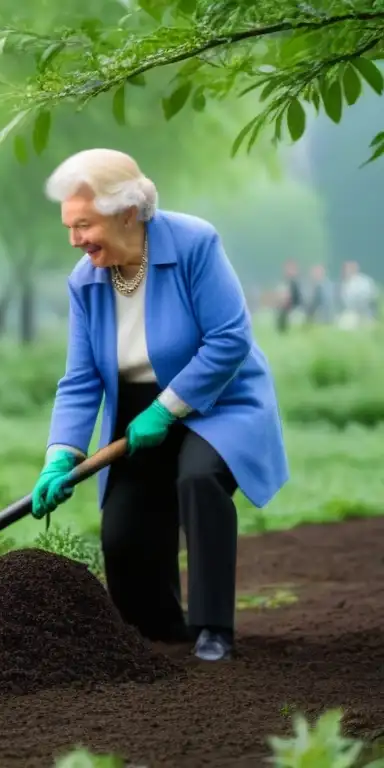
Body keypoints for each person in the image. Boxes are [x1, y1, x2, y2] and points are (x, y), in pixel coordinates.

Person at [29, 148, 288, 662]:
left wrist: (169, 408)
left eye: (84, 225)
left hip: (218, 399)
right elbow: (81, 379)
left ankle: (214, 627)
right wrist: (60, 451)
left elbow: (229, 339)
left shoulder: (193, 242)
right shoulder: (87, 279)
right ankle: (163, 628)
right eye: (69, 227)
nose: (75, 240)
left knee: (198, 479)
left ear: (127, 212)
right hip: (137, 410)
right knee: (123, 534)